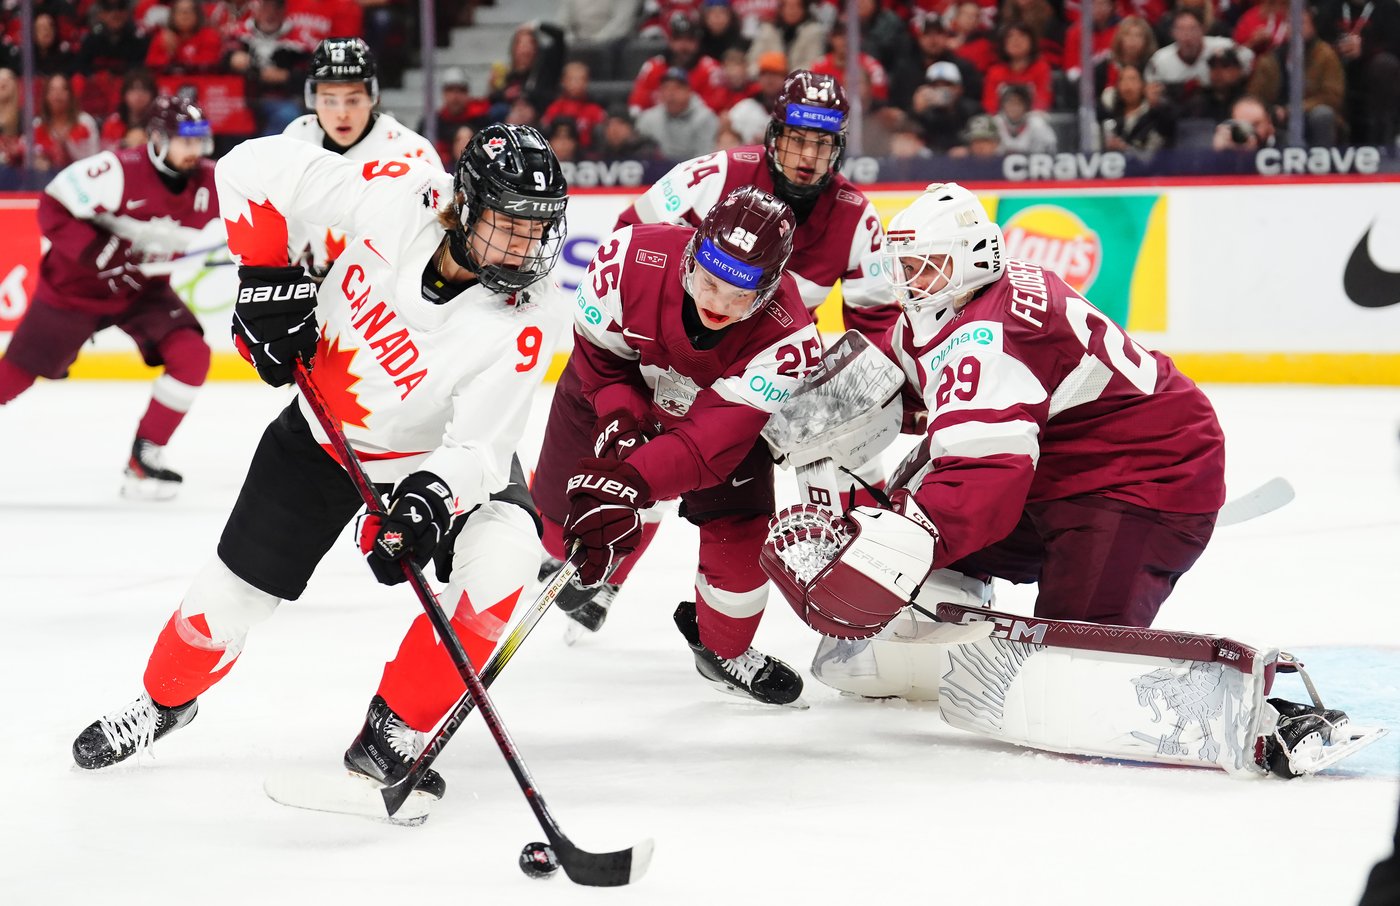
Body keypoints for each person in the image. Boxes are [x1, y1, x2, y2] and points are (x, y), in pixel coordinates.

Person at [71, 124, 571, 800]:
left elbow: (480, 449)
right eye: (509, 224)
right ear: (467, 205)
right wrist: (265, 276)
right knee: (226, 602)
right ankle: (163, 703)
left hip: (429, 463)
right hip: (318, 440)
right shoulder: (401, 200)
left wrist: (425, 501)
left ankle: (393, 727)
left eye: (537, 230)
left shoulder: (526, 320)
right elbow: (249, 167)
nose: (524, 246)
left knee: (507, 556)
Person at [767, 181, 1225, 637]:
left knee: (1073, 655)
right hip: (1062, 465)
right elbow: (895, 375)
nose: (910, 283)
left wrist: (887, 549)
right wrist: (778, 422)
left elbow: (983, 476)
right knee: (925, 485)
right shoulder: (955, 300)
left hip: (1146, 476)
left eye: (926, 267)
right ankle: (934, 628)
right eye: (905, 267)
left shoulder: (990, 337)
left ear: (973, 258)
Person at [553, 71, 898, 636]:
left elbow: (876, 329)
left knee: (857, 463)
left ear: (837, 150)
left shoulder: (857, 217)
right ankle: (610, 569)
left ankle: (854, 612)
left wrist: (849, 405)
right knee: (660, 446)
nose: (807, 157)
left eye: (821, 145)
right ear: (772, 135)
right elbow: (629, 237)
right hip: (678, 354)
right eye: (795, 140)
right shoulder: (715, 177)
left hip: (770, 368)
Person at [532, 185, 818, 705]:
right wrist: (621, 428)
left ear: (770, 289)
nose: (716, 303)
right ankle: (570, 554)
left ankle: (722, 651)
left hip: (711, 422)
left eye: (739, 294)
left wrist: (629, 481)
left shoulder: (788, 338)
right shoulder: (624, 259)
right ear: (693, 253)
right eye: (709, 282)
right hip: (615, 396)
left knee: (740, 547)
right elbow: (601, 366)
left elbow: (708, 444)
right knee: (556, 530)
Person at [0, 96, 219, 498]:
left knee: (192, 354)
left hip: (142, 290)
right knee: (11, 379)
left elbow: (260, 216)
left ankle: (144, 459)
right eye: (183, 141)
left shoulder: (214, 182)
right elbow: (51, 205)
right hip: (74, 290)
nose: (194, 152)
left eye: (199, 142)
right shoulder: (118, 171)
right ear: (156, 138)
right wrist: (99, 252)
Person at [283, 37, 442, 280]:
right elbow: (285, 223)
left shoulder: (412, 153)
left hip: (388, 293)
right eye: (329, 100)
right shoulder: (297, 138)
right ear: (313, 99)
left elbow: (439, 235)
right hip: (320, 286)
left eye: (353, 99)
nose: (342, 113)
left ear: (372, 96)